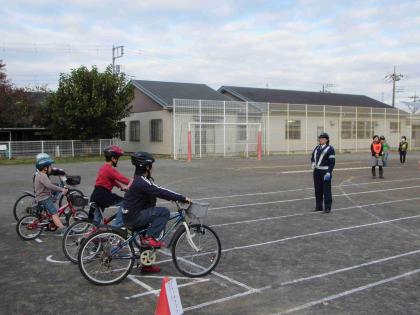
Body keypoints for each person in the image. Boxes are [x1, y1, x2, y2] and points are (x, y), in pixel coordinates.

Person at [123, 152, 191, 273]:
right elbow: (159, 191)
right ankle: (150, 238)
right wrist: (182, 198)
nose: (153, 168)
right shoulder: (142, 181)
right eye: (151, 166)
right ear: (147, 167)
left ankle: (146, 266)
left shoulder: (138, 180)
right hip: (135, 216)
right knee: (163, 212)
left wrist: (170, 197)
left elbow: (155, 192)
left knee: (147, 231)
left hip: (132, 214)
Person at [89, 145, 131, 228]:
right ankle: (117, 227)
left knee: (96, 222)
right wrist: (135, 182)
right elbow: (122, 179)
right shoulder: (110, 169)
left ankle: (92, 237)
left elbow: (112, 180)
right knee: (125, 203)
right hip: (103, 195)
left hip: (96, 195)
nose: (117, 160)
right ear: (113, 158)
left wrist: (120, 187)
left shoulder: (104, 167)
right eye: (117, 158)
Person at [34, 154, 68, 233]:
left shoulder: (39, 174)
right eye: (50, 166)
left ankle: (49, 221)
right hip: (44, 198)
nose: (51, 168)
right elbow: (50, 186)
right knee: (54, 213)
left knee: (50, 210)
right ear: (45, 168)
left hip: (41, 196)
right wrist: (62, 189)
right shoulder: (43, 176)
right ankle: (63, 229)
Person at [311, 133, 335, 214]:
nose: (320, 139)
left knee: (326, 190)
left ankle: (327, 207)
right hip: (317, 171)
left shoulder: (330, 149)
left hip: (325, 171)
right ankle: (319, 207)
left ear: (326, 140)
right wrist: (313, 163)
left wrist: (329, 172)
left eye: (322, 138)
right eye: (320, 138)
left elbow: (332, 162)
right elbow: (312, 157)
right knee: (318, 190)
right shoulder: (317, 148)